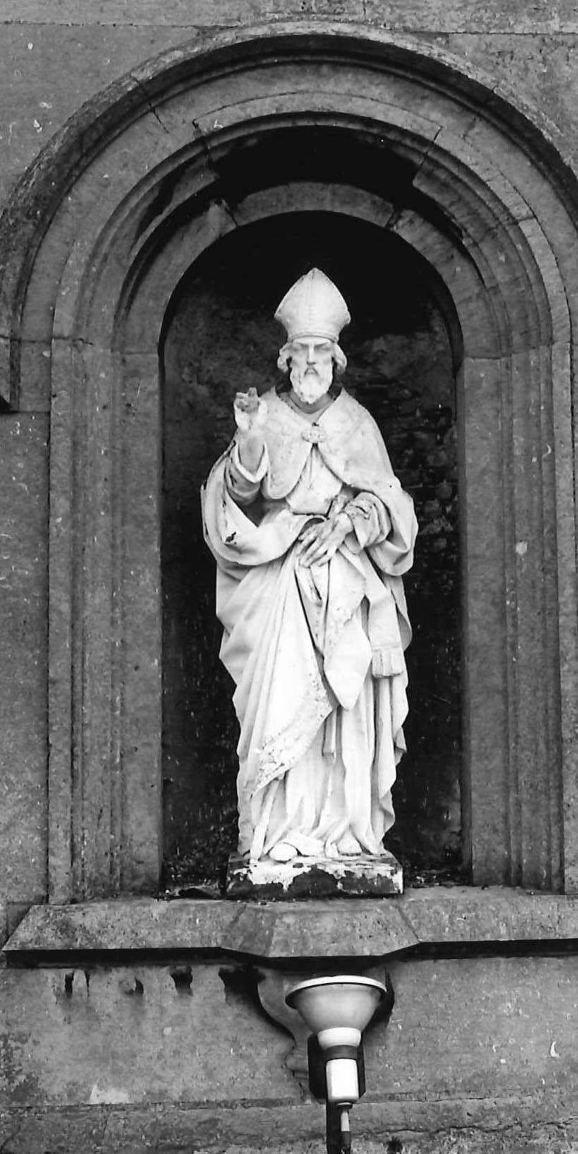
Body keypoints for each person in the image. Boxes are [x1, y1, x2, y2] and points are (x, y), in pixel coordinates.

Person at [201, 269, 417, 879]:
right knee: (279, 699)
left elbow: (391, 503)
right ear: (287, 358)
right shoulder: (265, 415)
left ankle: (346, 830)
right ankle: (278, 831)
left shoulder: (357, 423)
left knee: (347, 705)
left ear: (336, 360)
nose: (313, 362)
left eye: (323, 352)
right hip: (277, 578)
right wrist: (248, 443)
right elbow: (238, 499)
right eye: (303, 352)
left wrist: (348, 523)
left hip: (344, 578)